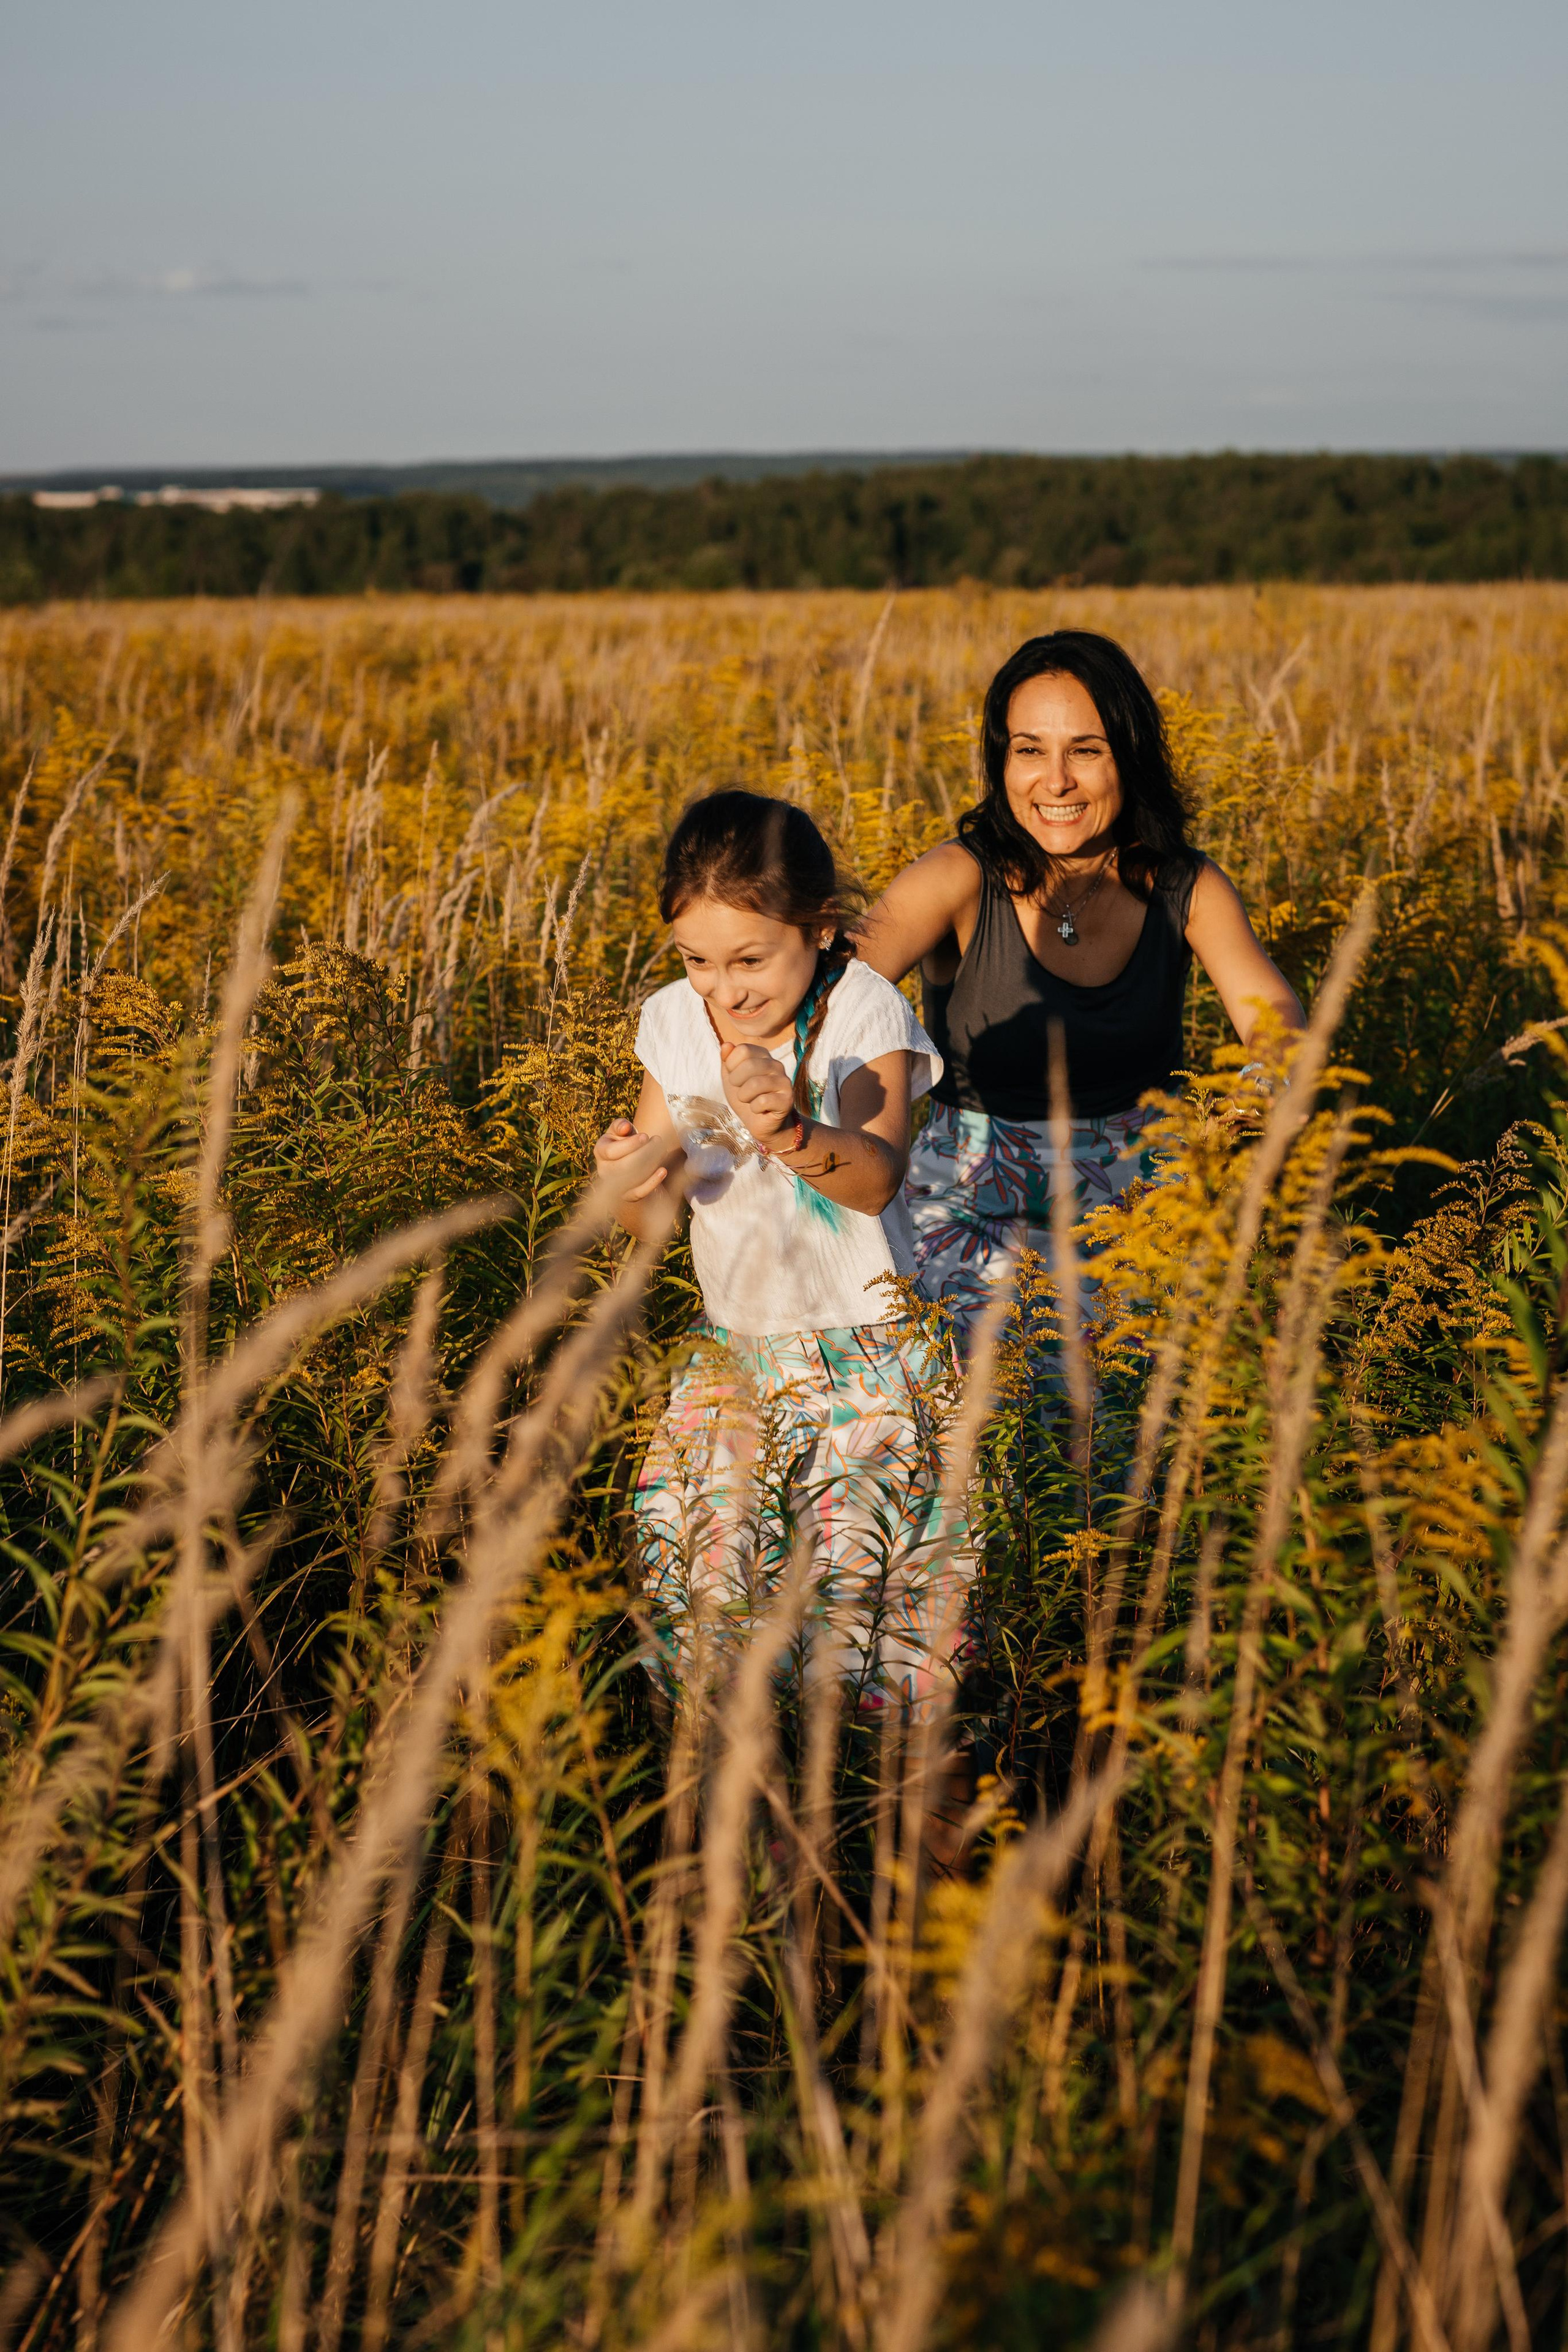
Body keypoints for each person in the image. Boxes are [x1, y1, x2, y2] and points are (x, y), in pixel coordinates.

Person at [592, 789, 969, 1727]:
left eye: (751, 959)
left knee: (888, 1636)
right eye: (698, 960)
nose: (725, 989)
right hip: (732, 1357)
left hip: (871, 1361)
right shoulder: (673, 1021)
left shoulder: (865, 1011)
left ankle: (908, 1832)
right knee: (705, 1611)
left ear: (822, 928)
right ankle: (743, 1847)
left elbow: (876, 1174)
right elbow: (657, 1204)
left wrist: (791, 1129)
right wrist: (634, 1176)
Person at [857, 630, 1305, 1340]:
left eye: (1086, 751)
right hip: (970, 1210)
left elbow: (1274, 1011)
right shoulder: (956, 876)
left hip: (1144, 1209)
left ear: (1129, 757)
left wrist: (1265, 1081)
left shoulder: (1185, 885)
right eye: (1029, 749)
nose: (1055, 781)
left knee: (1151, 1418)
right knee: (984, 1418)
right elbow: (826, 995)